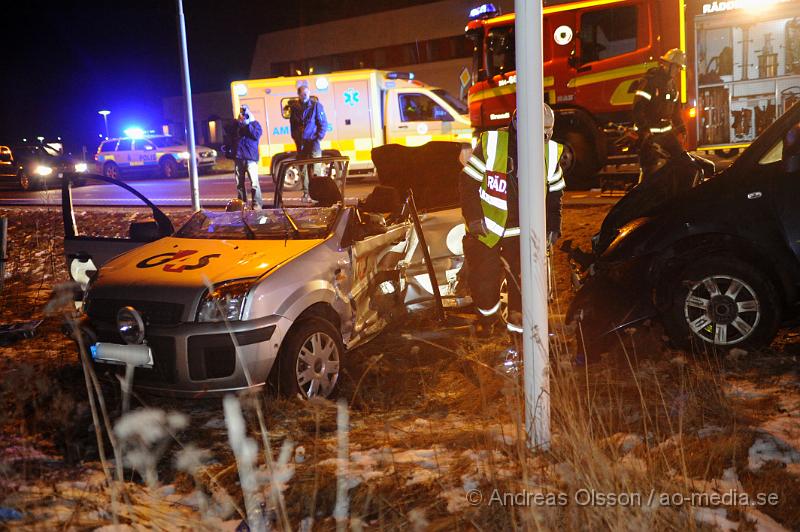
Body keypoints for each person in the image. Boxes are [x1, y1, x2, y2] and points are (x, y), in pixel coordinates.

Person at [460, 103, 565, 371]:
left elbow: (555, 194)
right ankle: (488, 318)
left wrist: (553, 224)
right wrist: (473, 218)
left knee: (524, 288)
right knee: (484, 284)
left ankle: (519, 338)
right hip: (488, 233)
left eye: (545, 135)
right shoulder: (494, 144)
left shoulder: (550, 153)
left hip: (524, 232)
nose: (542, 140)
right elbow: (468, 183)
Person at [632, 48, 687, 180]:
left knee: (682, 161)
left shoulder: (672, 85)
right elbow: (638, 108)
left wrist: (681, 129)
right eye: (677, 67)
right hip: (648, 135)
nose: (678, 71)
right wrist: (644, 130)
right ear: (668, 65)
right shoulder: (650, 81)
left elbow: (675, 112)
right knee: (650, 170)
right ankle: (643, 196)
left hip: (666, 134)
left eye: (680, 68)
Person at [289, 81, 328, 201]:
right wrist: (296, 138)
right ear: (299, 95)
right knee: (303, 170)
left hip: (313, 143)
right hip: (301, 144)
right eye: (302, 93)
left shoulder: (316, 105)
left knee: (315, 169)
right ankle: (306, 193)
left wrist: (318, 137)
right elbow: (293, 126)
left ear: (309, 93)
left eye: (306, 93)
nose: (304, 95)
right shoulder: (295, 108)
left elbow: (323, 123)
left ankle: (318, 194)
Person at [233, 104, 264, 208]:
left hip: (251, 158)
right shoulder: (237, 125)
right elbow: (232, 136)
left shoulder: (255, 124)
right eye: (242, 114)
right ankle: (241, 205)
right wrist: (238, 123)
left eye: (245, 114)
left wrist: (247, 124)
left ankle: (257, 205)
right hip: (239, 157)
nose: (243, 116)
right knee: (239, 184)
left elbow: (256, 135)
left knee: (254, 183)